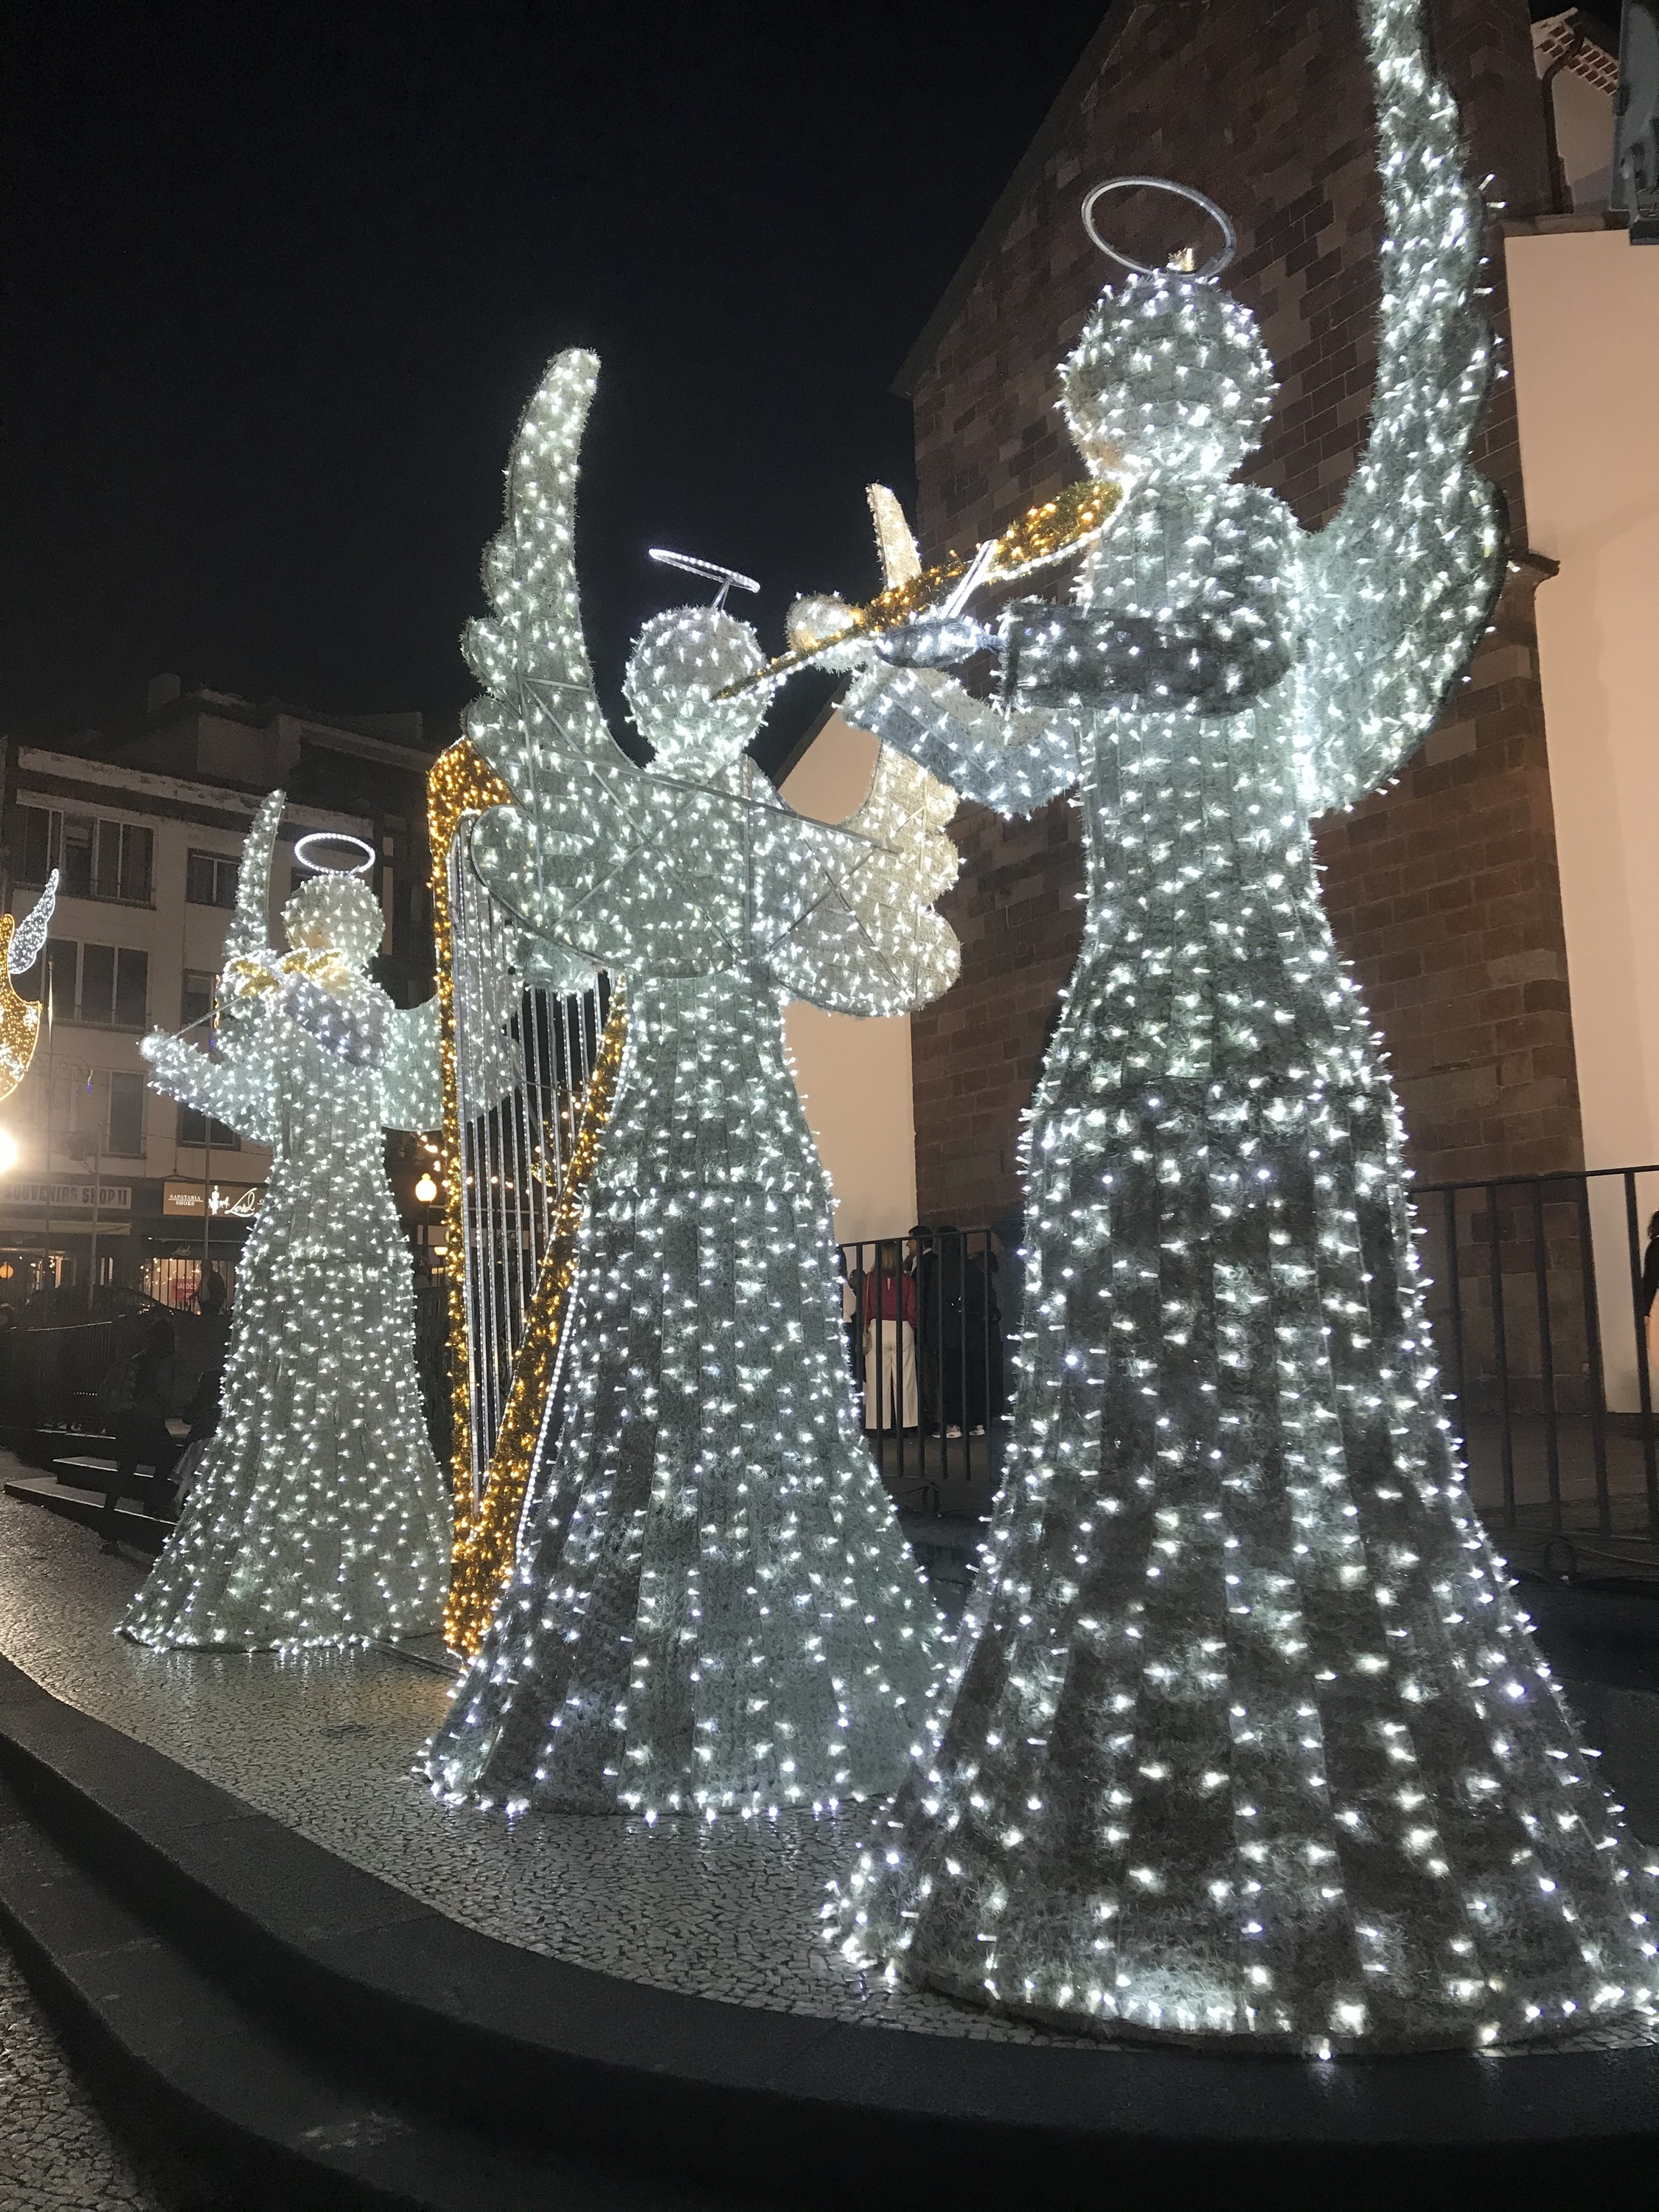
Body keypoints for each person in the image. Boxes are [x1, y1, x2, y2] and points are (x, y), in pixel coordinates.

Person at [100, 1316, 187, 1549]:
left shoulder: (138, 1361)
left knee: (126, 1471)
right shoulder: (156, 1363)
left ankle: (108, 1518)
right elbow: (158, 1395)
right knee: (167, 1457)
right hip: (146, 1423)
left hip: (131, 1424)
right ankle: (150, 1503)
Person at [860, 1239, 919, 1433]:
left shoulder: (869, 1279)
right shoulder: (907, 1280)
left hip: (878, 1328)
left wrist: (865, 1328)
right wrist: (912, 1325)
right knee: (905, 1378)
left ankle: (879, 1425)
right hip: (902, 1328)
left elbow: (866, 1308)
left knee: (878, 1379)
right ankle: (908, 1423)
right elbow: (912, 1308)